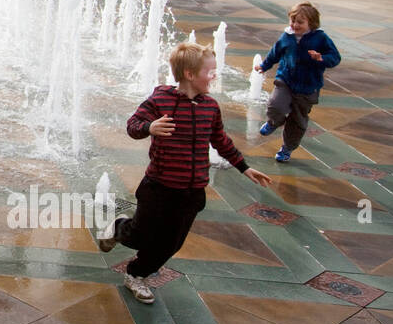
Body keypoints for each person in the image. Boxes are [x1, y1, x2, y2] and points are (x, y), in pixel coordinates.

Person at [98, 41, 273, 304]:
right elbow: (132, 125)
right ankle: (118, 227)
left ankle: (136, 274)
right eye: (210, 72)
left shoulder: (210, 107)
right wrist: (150, 127)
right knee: (140, 235)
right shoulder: (161, 99)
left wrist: (244, 167)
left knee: (171, 243)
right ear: (190, 75)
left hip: (192, 192)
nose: (214, 76)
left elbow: (221, 141)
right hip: (158, 187)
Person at [256, 1, 341, 163]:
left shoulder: (321, 38)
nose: (295, 25)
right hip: (286, 80)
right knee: (275, 105)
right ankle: (274, 122)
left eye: (300, 22)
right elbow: (275, 53)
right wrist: (264, 65)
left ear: (312, 23)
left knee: (298, 121)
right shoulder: (287, 36)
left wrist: (322, 58)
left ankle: (287, 148)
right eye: (292, 21)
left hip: (308, 86)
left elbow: (335, 57)